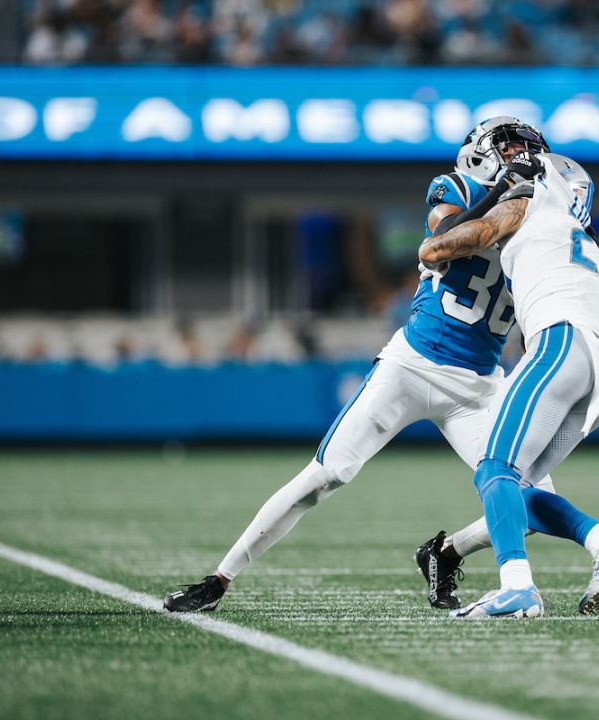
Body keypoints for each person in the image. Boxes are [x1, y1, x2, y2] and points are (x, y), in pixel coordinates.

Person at [163, 117, 567, 613]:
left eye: (527, 152)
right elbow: (444, 235)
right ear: (482, 154)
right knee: (324, 475)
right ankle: (218, 580)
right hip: (414, 364)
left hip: (481, 385)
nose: (519, 159)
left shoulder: (542, 216)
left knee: (531, 501)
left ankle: (444, 552)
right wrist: (498, 197)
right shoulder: (458, 188)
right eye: (510, 150)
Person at [419, 153, 599, 619]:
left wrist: (485, 200)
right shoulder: (582, 236)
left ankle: (517, 587)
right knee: (517, 487)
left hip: (561, 345)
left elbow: (445, 245)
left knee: (493, 469)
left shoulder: (532, 201)